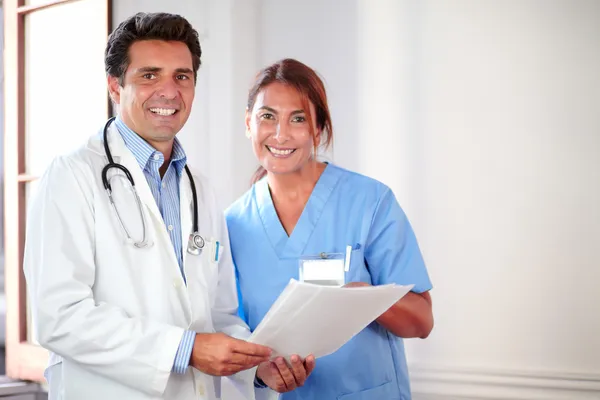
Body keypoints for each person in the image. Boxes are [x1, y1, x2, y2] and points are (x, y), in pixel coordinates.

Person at [23, 13, 310, 400]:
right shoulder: (72, 176)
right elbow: (59, 317)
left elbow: (220, 314)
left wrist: (258, 365)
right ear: (114, 85)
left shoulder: (201, 189)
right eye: (149, 75)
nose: (169, 91)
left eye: (182, 76)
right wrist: (185, 349)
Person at [226, 58, 434, 399]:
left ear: (318, 130)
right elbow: (234, 337)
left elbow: (422, 321)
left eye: (298, 119)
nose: (280, 134)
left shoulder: (370, 202)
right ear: (249, 123)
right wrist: (262, 375)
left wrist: (360, 299)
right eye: (267, 116)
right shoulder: (232, 225)